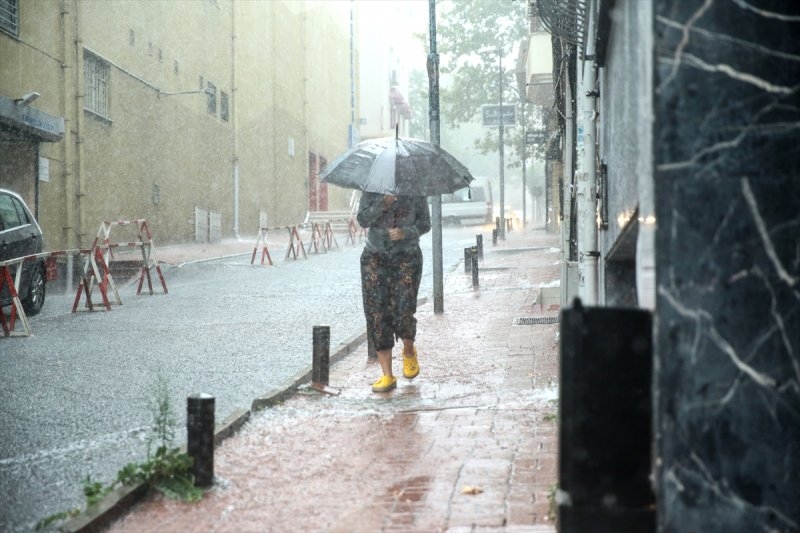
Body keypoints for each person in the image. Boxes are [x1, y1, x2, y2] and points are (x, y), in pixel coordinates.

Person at [356, 191, 431, 393]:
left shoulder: (415, 190)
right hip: (374, 256)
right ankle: (387, 375)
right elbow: (363, 219)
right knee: (376, 313)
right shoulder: (372, 189)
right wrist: (383, 204)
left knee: (404, 310)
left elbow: (425, 223)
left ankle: (409, 350)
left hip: (407, 257)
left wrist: (405, 232)